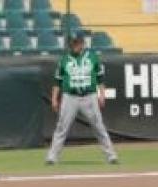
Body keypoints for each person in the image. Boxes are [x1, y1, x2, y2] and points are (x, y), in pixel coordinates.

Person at [45, 31, 118, 166]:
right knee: (62, 127)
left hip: (89, 96)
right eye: (72, 43)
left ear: (82, 43)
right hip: (70, 96)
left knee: (98, 126)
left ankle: (111, 155)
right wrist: (54, 99)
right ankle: (52, 157)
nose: (74, 46)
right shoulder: (65, 60)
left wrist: (102, 95)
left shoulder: (92, 58)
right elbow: (57, 82)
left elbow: (100, 79)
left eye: (76, 43)